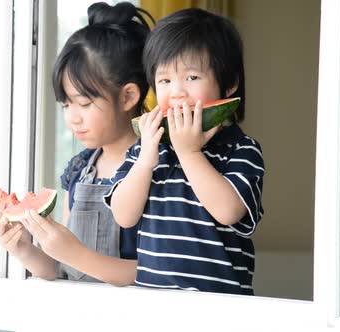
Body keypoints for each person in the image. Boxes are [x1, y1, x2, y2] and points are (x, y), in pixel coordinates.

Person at [104, 8, 265, 295]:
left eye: (191, 77)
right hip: (154, 307)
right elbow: (124, 216)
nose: (176, 92)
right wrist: (144, 162)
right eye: (165, 81)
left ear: (229, 84)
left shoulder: (241, 149)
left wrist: (190, 153)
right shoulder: (147, 147)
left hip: (221, 311)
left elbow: (228, 211)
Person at [0, 2, 154, 286]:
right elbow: (61, 268)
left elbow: (160, 273)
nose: (72, 118)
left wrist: (76, 254)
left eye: (84, 102)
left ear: (128, 97)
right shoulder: (79, 169)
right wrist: (22, 248)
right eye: (66, 104)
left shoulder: (157, 165)